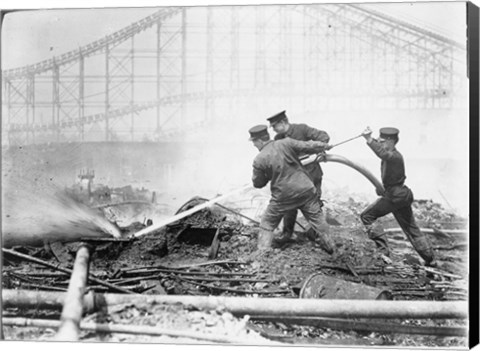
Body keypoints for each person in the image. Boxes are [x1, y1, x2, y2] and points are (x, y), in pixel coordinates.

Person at [248, 124, 335, 255]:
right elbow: (308, 146)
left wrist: (267, 175)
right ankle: (331, 247)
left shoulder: (259, 159)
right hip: (306, 190)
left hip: (284, 197)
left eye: (254, 142)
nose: (255, 145)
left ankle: (262, 252)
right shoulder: (286, 142)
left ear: (259, 141)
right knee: (317, 219)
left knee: (268, 222)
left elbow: (258, 183)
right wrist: (324, 146)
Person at [360, 127, 436, 266]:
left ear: (391, 141)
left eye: (383, 142)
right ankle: (430, 259)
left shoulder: (394, 156)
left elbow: (383, 154)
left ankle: (383, 253)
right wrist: (381, 189)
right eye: (379, 142)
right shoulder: (391, 155)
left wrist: (369, 140)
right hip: (400, 196)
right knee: (411, 229)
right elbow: (391, 179)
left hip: (395, 196)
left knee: (366, 216)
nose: (381, 144)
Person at [266, 110, 330, 244]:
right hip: (294, 178)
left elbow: (324, 137)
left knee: (314, 204)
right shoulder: (279, 139)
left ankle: (320, 236)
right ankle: (287, 234)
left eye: (275, 127)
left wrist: (318, 151)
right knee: (289, 205)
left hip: (312, 174)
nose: (274, 130)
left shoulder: (302, 129)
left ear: (283, 122)